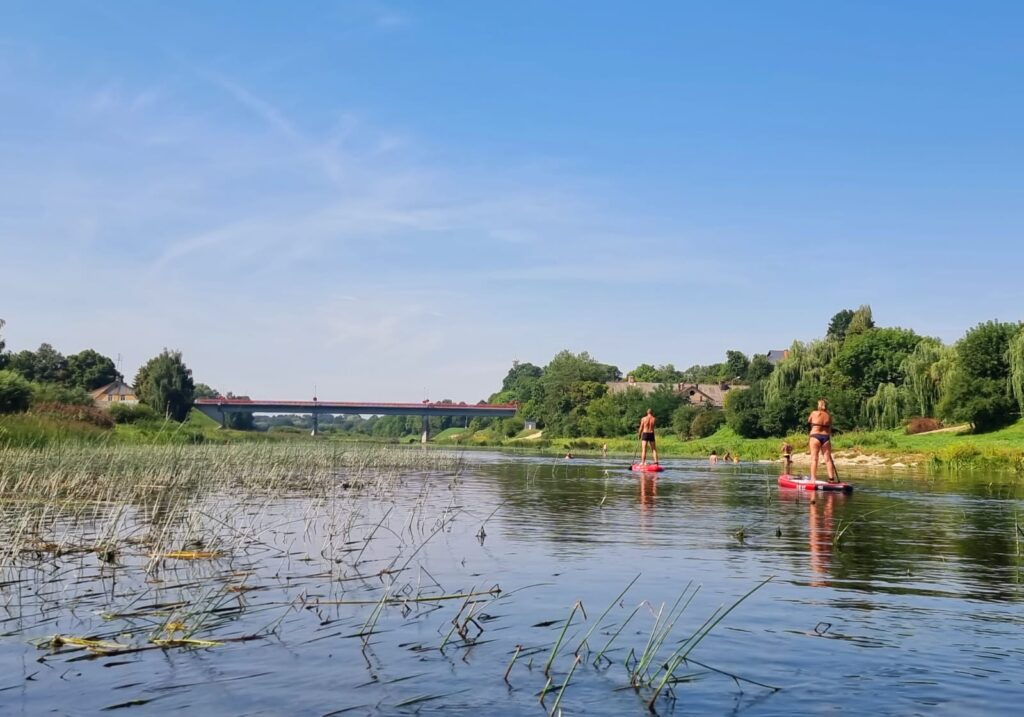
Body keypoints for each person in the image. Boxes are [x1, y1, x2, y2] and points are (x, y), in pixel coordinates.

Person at [808, 398, 836, 482]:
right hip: (826, 438)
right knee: (828, 459)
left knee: (814, 459)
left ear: (819, 405)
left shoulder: (814, 413)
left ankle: (813, 479)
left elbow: (809, 421)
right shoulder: (829, 415)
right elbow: (830, 428)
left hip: (815, 436)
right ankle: (831, 478)